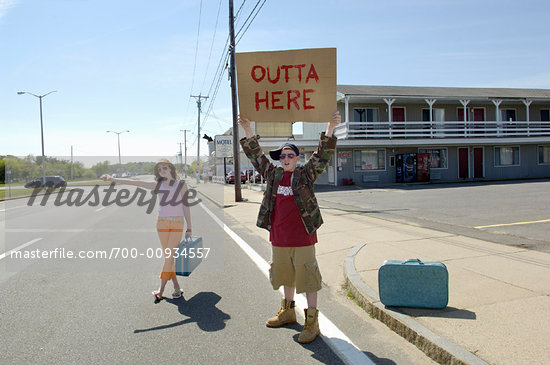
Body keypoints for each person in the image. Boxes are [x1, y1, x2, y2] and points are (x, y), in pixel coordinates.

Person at [238, 111, 341, 343]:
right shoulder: (273, 175)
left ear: (297, 157)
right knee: (285, 275)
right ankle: (287, 311)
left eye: (290, 156)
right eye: (282, 156)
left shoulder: (306, 174)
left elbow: (323, 154)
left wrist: (330, 126)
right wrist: (247, 130)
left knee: (308, 279)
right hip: (279, 237)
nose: (285, 159)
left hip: (303, 238)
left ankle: (312, 323)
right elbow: (257, 157)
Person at [100, 158, 192, 301]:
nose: (162, 171)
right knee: (169, 258)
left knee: (169, 257)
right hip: (161, 224)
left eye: (165, 168)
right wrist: (112, 178)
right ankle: (176, 288)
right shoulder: (157, 185)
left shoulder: (181, 185)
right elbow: (134, 182)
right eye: (160, 170)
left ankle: (160, 291)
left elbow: (186, 206)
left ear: (171, 168)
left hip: (177, 224)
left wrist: (189, 227)